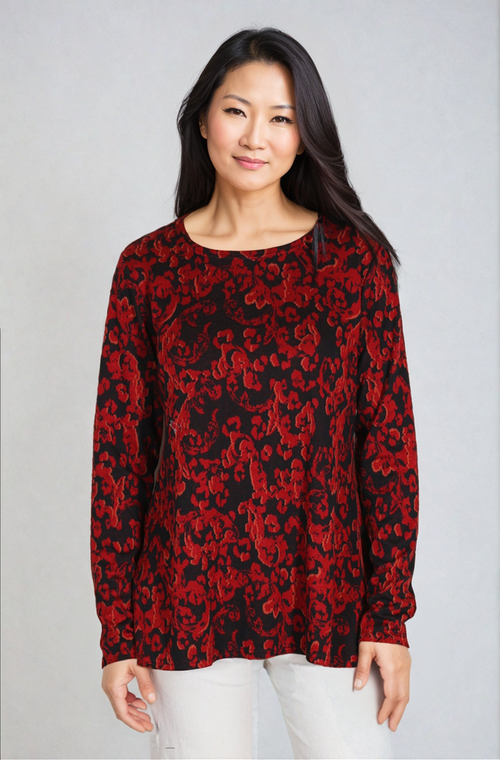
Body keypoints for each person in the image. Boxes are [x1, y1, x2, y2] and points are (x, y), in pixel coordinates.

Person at [90, 26, 419, 760]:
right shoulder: (148, 270)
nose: (255, 137)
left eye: (281, 117)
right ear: (203, 118)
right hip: (182, 592)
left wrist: (388, 614)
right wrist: (118, 632)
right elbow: (120, 459)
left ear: (305, 136)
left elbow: (388, 446)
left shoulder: (355, 266)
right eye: (237, 110)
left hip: (330, 590)